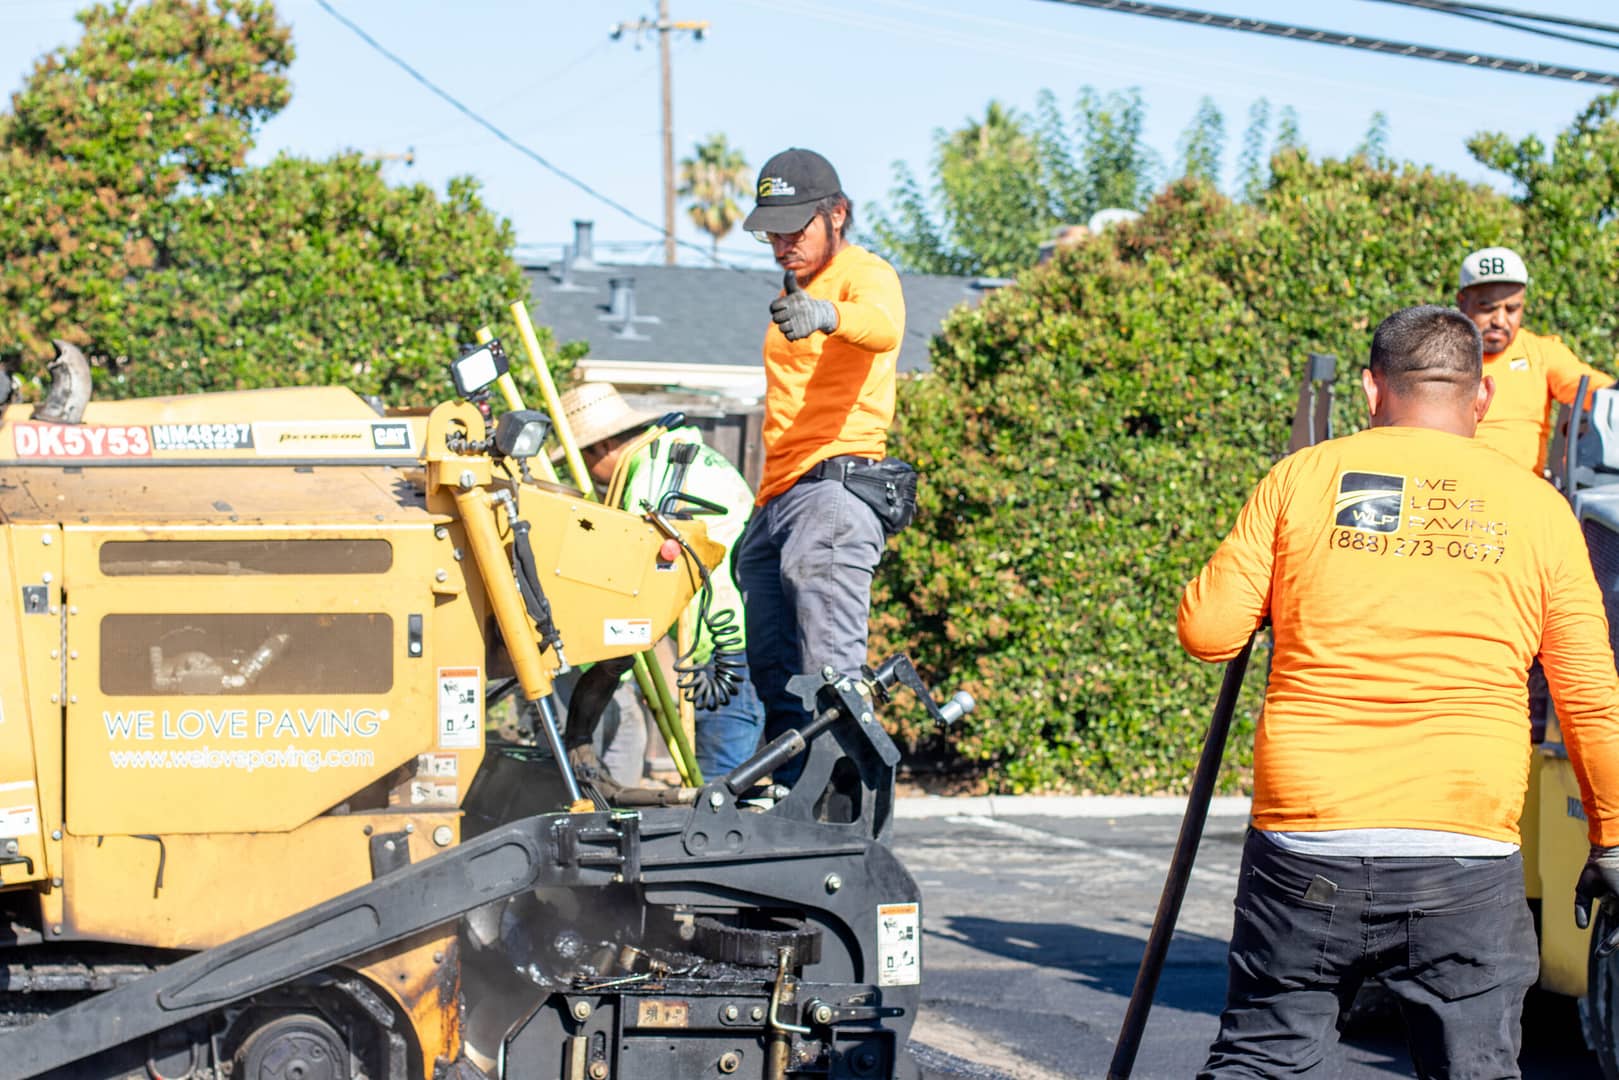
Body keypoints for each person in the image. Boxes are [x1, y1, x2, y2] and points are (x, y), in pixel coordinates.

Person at [1179, 305, 1619, 1078]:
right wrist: (1612, 838)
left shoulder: (1301, 478)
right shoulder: (1539, 510)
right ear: (1478, 398)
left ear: (1368, 389)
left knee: (1263, 1056)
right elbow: (1588, 695)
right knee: (1472, 1066)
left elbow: (1208, 632)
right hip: (1462, 845)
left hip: (1307, 836)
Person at [733, 147, 907, 783]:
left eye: (796, 227)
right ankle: (788, 804)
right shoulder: (792, 289)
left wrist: (826, 314)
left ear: (837, 214)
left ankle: (843, 823)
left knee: (831, 681)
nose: (782, 243)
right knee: (777, 677)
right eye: (772, 232)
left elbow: (883, 326)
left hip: (832, 488)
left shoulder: (864, 273)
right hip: (780, 496)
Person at [557, 382, 764, 779]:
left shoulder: (653, 485)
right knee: (718, 793)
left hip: (730, 653)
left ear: (601, 447)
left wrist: (581, 728)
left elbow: (627, 603)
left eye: (580, 461)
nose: (583, 475)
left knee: (721, 797)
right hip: (738, 643)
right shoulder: (676, 460)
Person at [1455, 245, 1613, 475]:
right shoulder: (1436, 351)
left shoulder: (1542, 352)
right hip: (1453, 489)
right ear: (1462, 301)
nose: (1500, 320)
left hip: (1524, 492)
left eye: (1512, 308)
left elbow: (1599, 392)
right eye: (1486, 307)